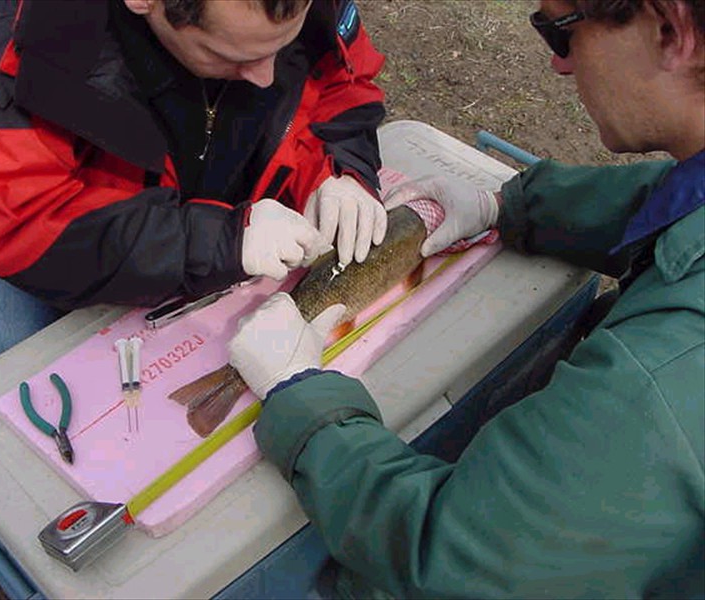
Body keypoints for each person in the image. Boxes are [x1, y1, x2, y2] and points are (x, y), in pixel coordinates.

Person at [227, 0, 705, 596]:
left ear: (670, 28)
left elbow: (456, 566)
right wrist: (511, 205)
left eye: (559, 32)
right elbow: (686, 200)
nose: (558, 67)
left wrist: (301, 398)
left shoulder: (665, 371)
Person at [0, 0, 387, 366]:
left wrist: (341, 168)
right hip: (69, 238)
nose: (266, 78)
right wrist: (219, 243)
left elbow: (342, 81)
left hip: (236, 218)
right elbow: (22, 220)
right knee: (9, 363)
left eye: (285, 45)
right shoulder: (3, 33)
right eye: (230, 55)